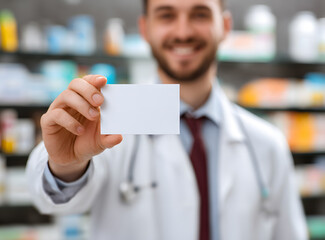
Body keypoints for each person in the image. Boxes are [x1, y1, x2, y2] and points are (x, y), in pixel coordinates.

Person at [26, 0, 307, 239]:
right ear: (145, 28)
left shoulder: (267, 144)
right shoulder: (106, 124)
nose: (183, 32)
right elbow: (55, 202)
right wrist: (65, 166)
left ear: (225, 27)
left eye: (199, 14)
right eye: (167, 15)